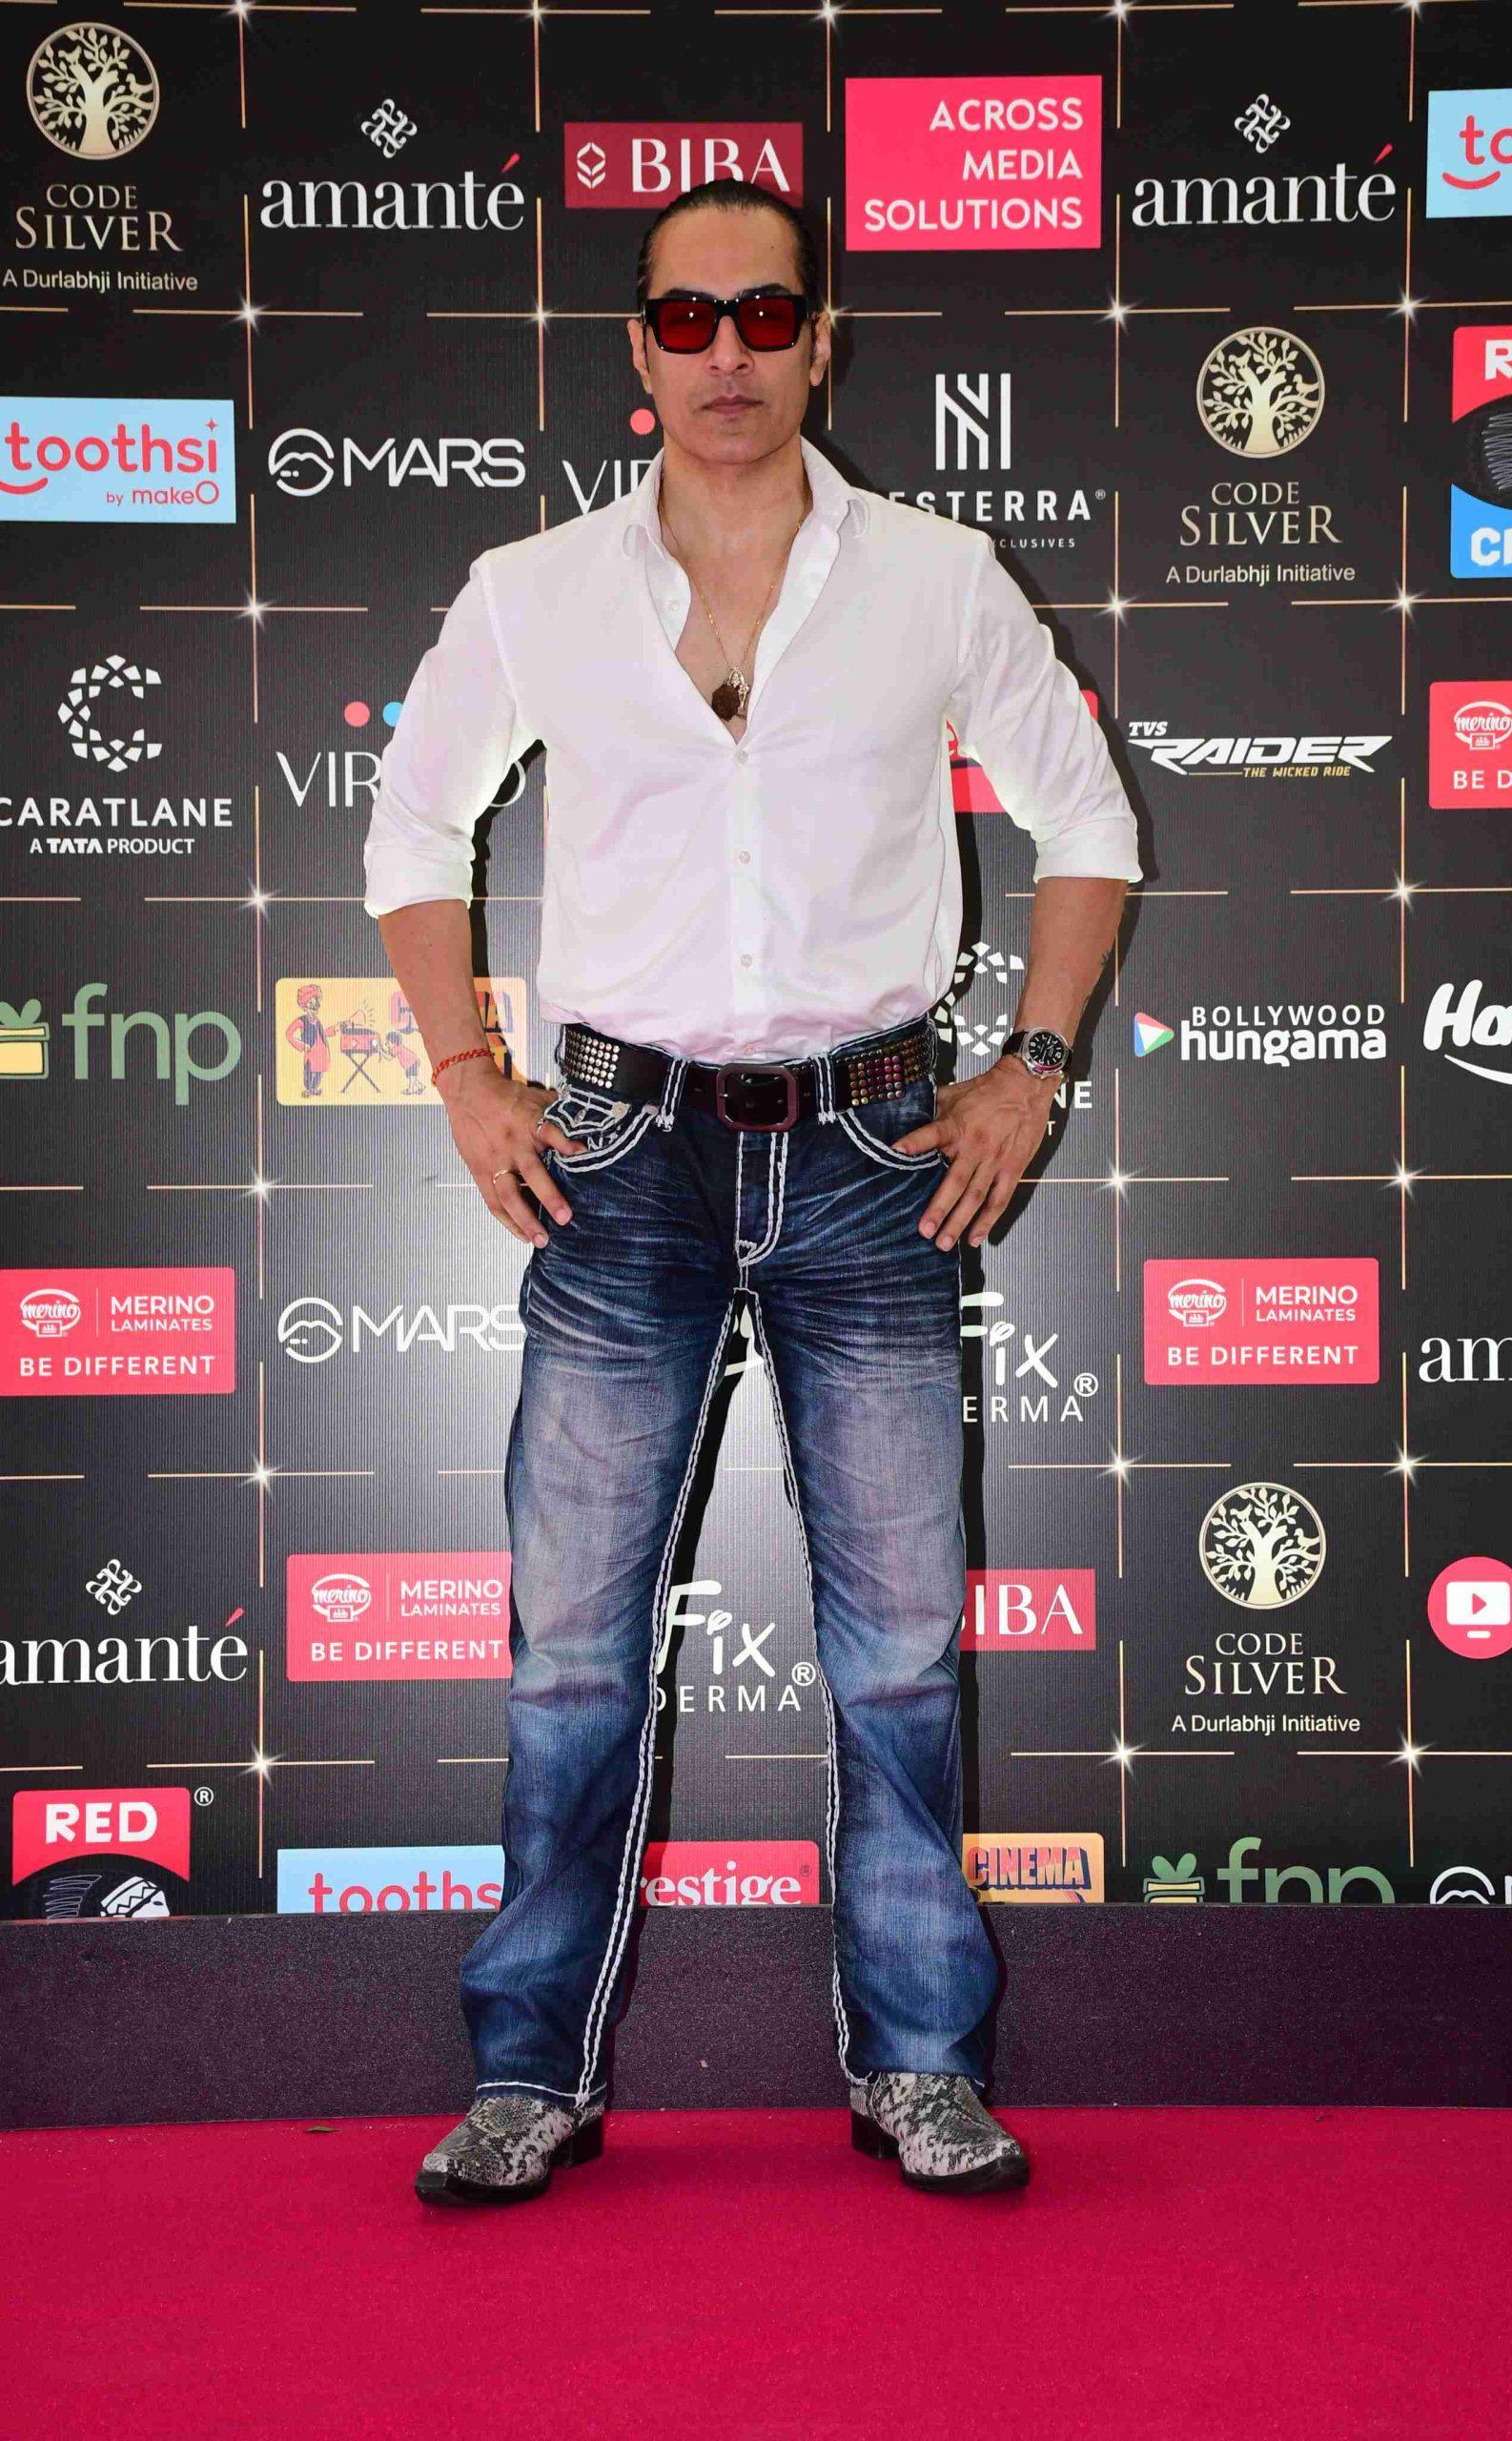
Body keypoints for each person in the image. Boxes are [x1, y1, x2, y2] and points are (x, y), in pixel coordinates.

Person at [361, 176, 1141, 2205]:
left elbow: (1086, 821)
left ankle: (919, 2067)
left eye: (767, 313)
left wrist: (1031, 1068)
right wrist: (462, 1070)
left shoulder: (939, 577)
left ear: (822, 340)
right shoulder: (533, 585)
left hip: (879, 1164)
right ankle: (528, 2073)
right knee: (569, 1654)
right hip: (616, 1164)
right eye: (689, 317)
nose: (728, 352)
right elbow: (413, 824)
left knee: (895, 1654)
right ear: (639, 345)